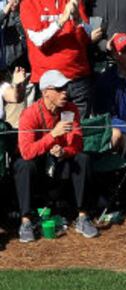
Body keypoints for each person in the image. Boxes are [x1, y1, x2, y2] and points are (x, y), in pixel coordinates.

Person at [14, 69, 98, 241]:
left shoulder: (70, 109)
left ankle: (82, 216)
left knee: (82, 158)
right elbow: (26, 151)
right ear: (45, 92)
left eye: (65, 87)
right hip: (37, 167)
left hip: (60, 163)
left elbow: (77, 143)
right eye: (59, 89)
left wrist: (64, 152)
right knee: (23, 164)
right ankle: (26, 221)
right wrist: (52, 135)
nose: (65, 92)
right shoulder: (30, 114)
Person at [20, 0, 94, 108]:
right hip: (47, 82)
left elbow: (88, 37)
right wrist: (62, 20)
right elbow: (39, 40)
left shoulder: (74, 1)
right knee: (49, 124)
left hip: (77, 78)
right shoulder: (29, 3)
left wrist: (78, 19)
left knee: (80, 124)